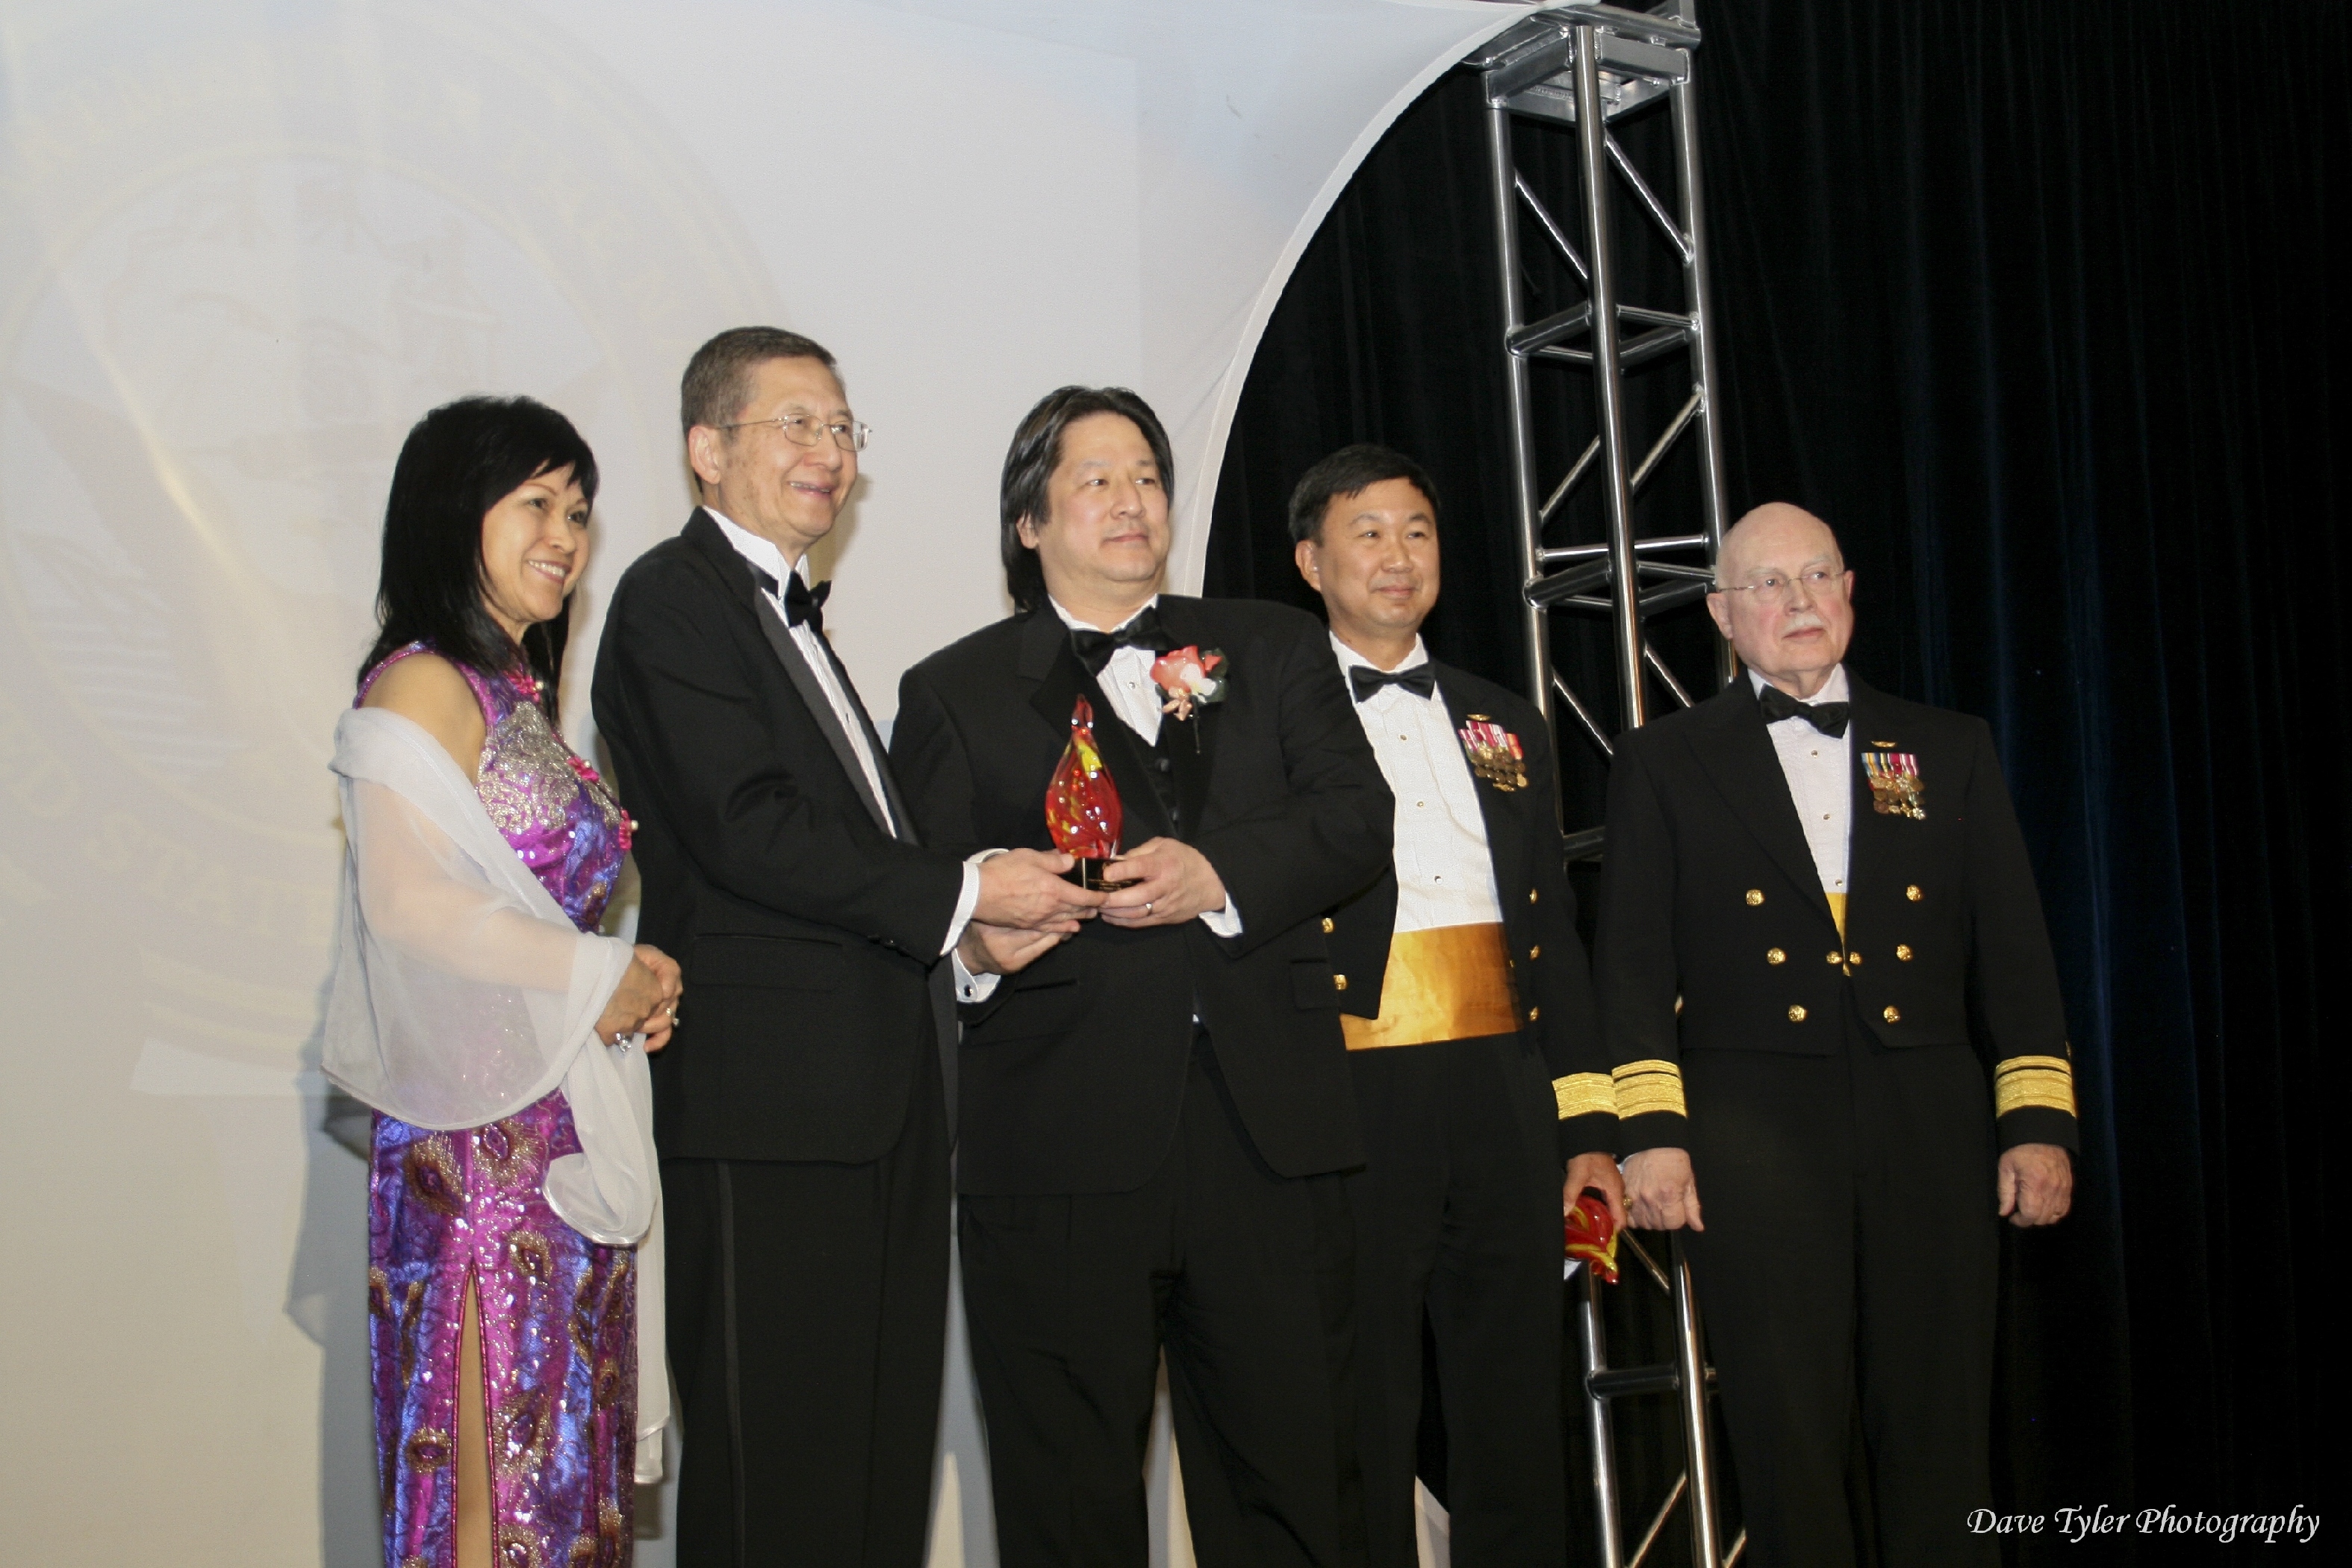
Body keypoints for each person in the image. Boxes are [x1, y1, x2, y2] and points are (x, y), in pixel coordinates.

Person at [590, 328, 1089, 1568]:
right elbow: (746, 826)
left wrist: (969, 938)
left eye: (842, 428)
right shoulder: (671, 598)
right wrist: (962, 885)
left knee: (873, 1473)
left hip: (878, 1104)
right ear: (707, 450)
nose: (830, 451)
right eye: (796, 424)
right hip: (767, 1110)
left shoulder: (794, 617)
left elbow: (844, 864)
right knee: (779, 1478)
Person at [889, 387, 1395, 1567]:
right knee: (1067, 1503)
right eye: (1096, 480)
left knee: (1295, 1483)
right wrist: (977, 950)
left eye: (1148, 477)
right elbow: (921, 906)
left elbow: (1354, 818)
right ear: (1029, 522)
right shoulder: (952, 690)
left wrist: (1220, 872)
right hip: (1055, 1144)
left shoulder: (1269, 645)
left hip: (1267, 1134)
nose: (1132, 502)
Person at [1593, 502, 2079, 1567]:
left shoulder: (1949, 746)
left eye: (1816, 576)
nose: (1798, 600)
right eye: (1767, 584)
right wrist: (1650, 1136)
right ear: (1722, 613)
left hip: (1930, 1121)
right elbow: (1629, 967)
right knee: (1788, 1431)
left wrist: (2037, 1121)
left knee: (1942, 1418)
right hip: (1752, 1133)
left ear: (1850, 592)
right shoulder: (1663, 758)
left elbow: (2014, 953)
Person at [326, 395, 682, 1568]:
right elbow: (408, 903)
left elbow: (530, 916)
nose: (564, 535)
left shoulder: (517, 695)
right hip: (474, 1154)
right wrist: (596, 971)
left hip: (555, 1137)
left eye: (577, 511)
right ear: (452, 511)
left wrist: (627, 981)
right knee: (495, 1495)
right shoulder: (424, 682)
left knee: (565, 1486)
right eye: (534, 502)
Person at [1288, 444, 1623, 1567]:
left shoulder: (1505, 719)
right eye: (1368, 533)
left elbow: (1553, 935)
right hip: (1354, 1087)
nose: (1398, 556)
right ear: (1310, 561)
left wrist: (1587, 1125)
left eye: (1418, 531)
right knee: (1362, 1400)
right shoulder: (1273, 719)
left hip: (1504, 1088)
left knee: (1517, 1394)